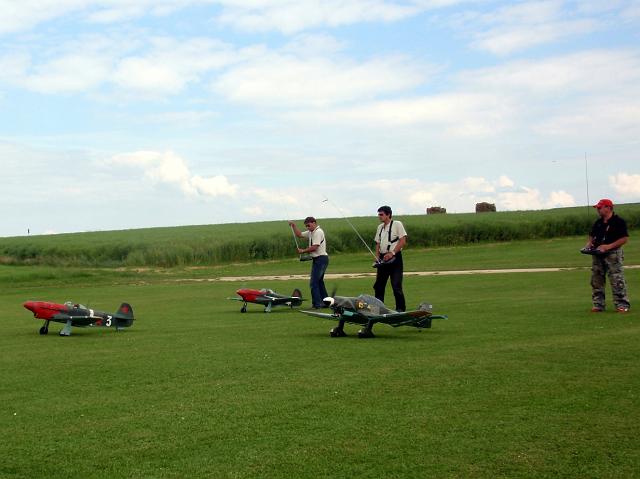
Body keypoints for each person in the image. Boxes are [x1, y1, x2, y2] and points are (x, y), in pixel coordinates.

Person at [584, 198, 630, 313]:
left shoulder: (618, 221)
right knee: (596, 279)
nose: (598, 210)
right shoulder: (598, 222)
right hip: (597, 255)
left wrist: (608, 246)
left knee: (616, 279)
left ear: (608, 208)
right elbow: (592, 235)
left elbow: (624, 239)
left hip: (613, 254)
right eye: (597, 208)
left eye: (600, 207)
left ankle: (622, 305)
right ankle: (598, 305)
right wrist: (589, 245)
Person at [288, 217, 329, 309]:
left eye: (309, 225)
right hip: (319, 259)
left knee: (314, 283)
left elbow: (315, 247)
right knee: (319, 282)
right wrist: (293, 226)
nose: (307, 227)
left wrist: (303, 251)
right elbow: (299, 235)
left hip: (321, 259)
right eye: (306, 226)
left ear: (314, 223)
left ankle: (317, 304)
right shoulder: (311, 232)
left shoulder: (318, 232)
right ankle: (326, 302)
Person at [373, 205, 408, 312]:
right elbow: (377, 243)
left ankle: (400, 309)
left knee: (396, 285)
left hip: (395, 258)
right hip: (383, 259)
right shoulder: (380, 227)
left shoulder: (397, 224)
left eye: (381, 214)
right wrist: (377, 257)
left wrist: (392, 253)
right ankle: (378, 309)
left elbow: (403, 241)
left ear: (388, 214)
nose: (379, 216)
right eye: (379, 214)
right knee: (379, 285)